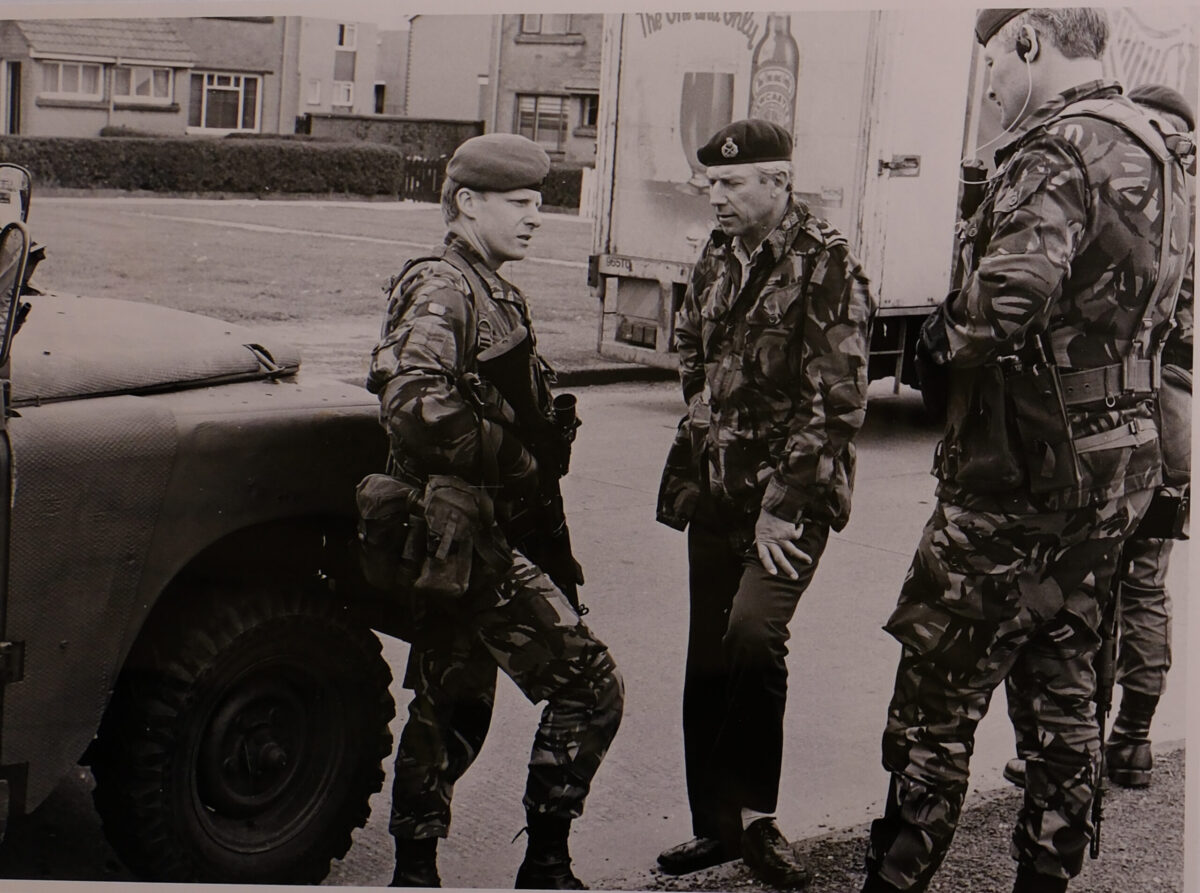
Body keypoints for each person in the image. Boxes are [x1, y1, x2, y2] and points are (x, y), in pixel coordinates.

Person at [861, 9, 1191, 893]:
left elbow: (1009, 299)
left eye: (995, 67)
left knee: (934, 702)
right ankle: (1046, 876)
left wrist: (930, 340)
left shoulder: (1056, 150)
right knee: (1065, 685)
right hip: (1112, 472)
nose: (994, 89)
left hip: (1016, 475)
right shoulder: (1158, 146)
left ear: (1030, 42)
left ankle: (895, 879)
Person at [364, 133, 624, 889]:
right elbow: (413, 404)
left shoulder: (485, 285)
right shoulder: (445, 286)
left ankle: (415, 871)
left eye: (541, 203)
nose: (536, 217)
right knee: (588, 683)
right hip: (460, 531)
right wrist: (517, 456)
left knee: (452, 699)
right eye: (520, 203)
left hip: (468, 531)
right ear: (468, 203)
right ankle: (545, 865)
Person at [654, 118, 873, 888]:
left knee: (752, 634)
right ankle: (712, 827)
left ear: (779, 184)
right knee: (707, 655)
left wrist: (782, 503)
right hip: (716, 486)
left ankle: (757, 817)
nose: (715, 196)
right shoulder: (718, 253)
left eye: (731, 183)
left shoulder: (829, 264)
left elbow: (838, 399)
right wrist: (701, 414)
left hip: (792, 498)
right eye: (710, 183)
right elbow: (691, 345)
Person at [1002, 83, 1195, 792]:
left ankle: (1062, 744)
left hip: (1117, 421)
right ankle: (1133, 739)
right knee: (1142, 584)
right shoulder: (1184, 213)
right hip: (1171, 426)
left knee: (1087, 587)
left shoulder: (1130, 212)